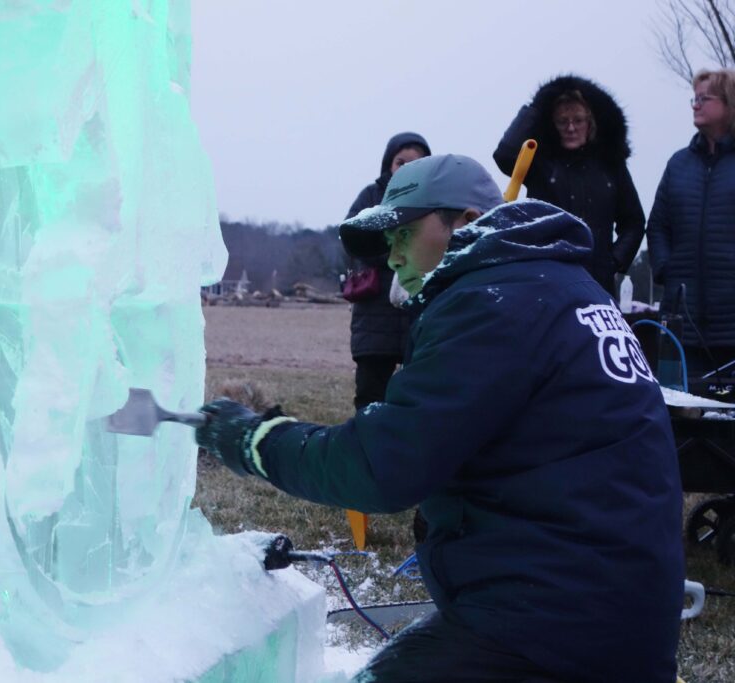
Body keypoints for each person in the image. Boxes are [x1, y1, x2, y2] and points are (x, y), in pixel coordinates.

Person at [196, 155, 684, 682]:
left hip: (562, 623)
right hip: (601, 599)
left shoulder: (493, 303)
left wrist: (255, 439)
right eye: (390, 240)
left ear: (467, 222)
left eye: (407, 232)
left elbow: (381, 466)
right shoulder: (555, 284)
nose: (395, 255)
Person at [494, 75, 645, 296]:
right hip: (546, 280)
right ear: (552, 124)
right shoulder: (540, 163)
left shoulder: (611, 166)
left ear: (590, 122)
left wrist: (613, 262)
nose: (571, 127)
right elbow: (505, 155)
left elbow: (633, 222)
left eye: (578, 120)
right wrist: (537, 106)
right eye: (562, 121)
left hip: (597, 284)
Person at [647, 68, 735, 378]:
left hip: (731, 324)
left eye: (704, 98)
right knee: (685, 415)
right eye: (693, 99)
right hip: (682, 321)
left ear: (729, 103)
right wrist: (665, 269)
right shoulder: (678, 164)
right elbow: (657, 225)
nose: (695, 105)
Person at [345, 132, 431, 410]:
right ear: (388, 165)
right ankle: (363, 446)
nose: (405, 169)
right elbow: (352, 238)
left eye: (414, 163)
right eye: (400, 162)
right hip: (374, 314)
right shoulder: (371, 196)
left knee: (416, 392)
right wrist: (396, 254)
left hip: (417, 312)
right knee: (370, 392)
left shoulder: (434, 202)